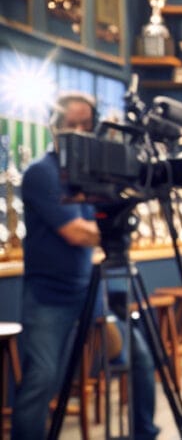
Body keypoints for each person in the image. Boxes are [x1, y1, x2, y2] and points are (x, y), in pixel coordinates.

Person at [12, 91, 160, 440]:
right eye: (71, 125)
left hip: (90, 292)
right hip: (49, 297)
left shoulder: (91, 174)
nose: (79, 132)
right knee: (42, 378)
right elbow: (76, 233)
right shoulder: (40, 173)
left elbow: (101, 224)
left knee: (138, 356)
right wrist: (114, 227)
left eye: (86, 125)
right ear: (54, 127)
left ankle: (144, 432)